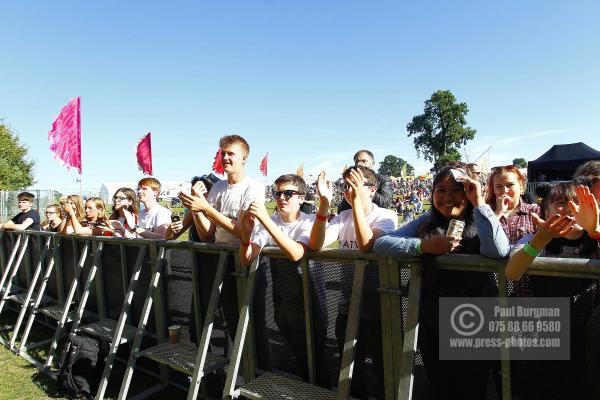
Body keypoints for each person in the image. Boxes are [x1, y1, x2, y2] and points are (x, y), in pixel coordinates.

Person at [374, 165, 509, 400]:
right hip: (433, 321)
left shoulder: (481, 218)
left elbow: (498, 251)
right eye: (441, 190)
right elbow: (382, 244)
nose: (448, 198)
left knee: (472, 388)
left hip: (474, 323)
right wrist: (423, 246)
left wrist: (479, 203)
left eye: (457, 190)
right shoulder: (424, 222)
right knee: (441, 386)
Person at [178, 134, 266, 379]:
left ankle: (257, 377)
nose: (225, 157)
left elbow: (242, 230)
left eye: (230, 153)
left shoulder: (254, 187)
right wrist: (196, 209)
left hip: (246, 259)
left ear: (244, 158)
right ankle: (231, 376)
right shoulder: (217, 187)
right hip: (220, 259)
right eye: (222, 153)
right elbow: (207, 235)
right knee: (228, 320)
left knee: (250, 323)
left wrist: (207, 209)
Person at [309, 166, 397, 398]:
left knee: (383, 367)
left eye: (354, 186)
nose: (348, 191)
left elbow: (367, 244)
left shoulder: (386, 215)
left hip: (380, 304)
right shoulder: (343, 216)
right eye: (345, 186)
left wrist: (357, 203)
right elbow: (316, 244)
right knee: (350, 367)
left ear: (372, 189)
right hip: (349, 304)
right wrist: (325, 203)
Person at [505, 182, 597, 400]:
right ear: (545, 211)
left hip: (587, 334)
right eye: (561, 203)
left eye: (578, 202)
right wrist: (540, 239)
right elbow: (511, 272)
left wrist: (595, 230)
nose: (571, 208)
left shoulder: (594, 239)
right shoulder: (535, 239)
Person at [239, 174, 330, 387]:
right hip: (283, 297)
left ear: (301, 197)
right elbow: (246, 259)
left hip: (310, 296)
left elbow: (296, 253)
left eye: (288, 193)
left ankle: (322, 392)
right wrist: (245, 236)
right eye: (277, 193)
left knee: (316, 355)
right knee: (299, 354)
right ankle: (308, 391)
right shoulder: (271, 222)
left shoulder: (309, 222)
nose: (281, 197)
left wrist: (266, 222)